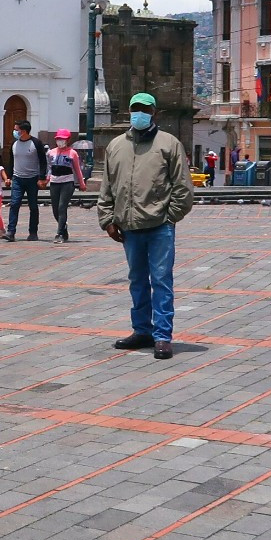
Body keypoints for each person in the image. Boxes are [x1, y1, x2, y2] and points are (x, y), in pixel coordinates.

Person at [96, 92, 193, 361]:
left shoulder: (169, 144)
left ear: (154, 113)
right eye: (136, 109)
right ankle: (142, 331)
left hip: (159, 225)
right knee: (137, 281)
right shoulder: (116, 146)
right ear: (129, 111)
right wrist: (107, 219)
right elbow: (107, 186)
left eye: (145, 109)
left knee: (161, 280)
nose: (140, 113)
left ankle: (162, 336)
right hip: (128, 227)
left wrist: (169, 216)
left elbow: (183, 187)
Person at [4, 119, 49, 242]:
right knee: (14, 204)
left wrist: (42, 177)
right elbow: (11, 161)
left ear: (23, 131)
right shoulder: (14, 144)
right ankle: (11, 231)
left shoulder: (36, 143)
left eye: (16, 130)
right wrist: (8, 177)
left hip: (32, 179)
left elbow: (43, 162)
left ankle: (33, 232)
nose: (14, 132)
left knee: (33, 206)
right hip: (17, 179)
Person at [47, 129, 83, 242]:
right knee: (55, 209)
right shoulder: (51, 152)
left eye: (62, 139)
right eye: (58, 139)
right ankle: (63, 228)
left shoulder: (72, 153)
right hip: (54, 182)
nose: (60, 141)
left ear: (67, 140)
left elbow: (77, 169)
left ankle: (59, 234)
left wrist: (81, 183)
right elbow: (49, 168)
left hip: (67, 182)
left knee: (62, 207)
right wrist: (46, 178)